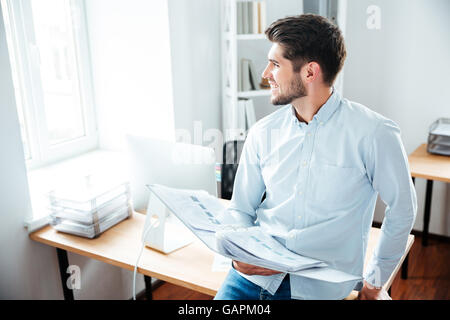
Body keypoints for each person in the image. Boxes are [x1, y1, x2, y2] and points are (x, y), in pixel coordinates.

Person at [214, 14, 417, 300]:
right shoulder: (263, 132)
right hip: (250, 282)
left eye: (275, 64)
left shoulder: (374, 133)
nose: (265, 74)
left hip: (317, 290)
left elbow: (403, 208)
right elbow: (240, 209)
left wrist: (374, 282)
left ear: (310, 72)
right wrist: (238, 255)